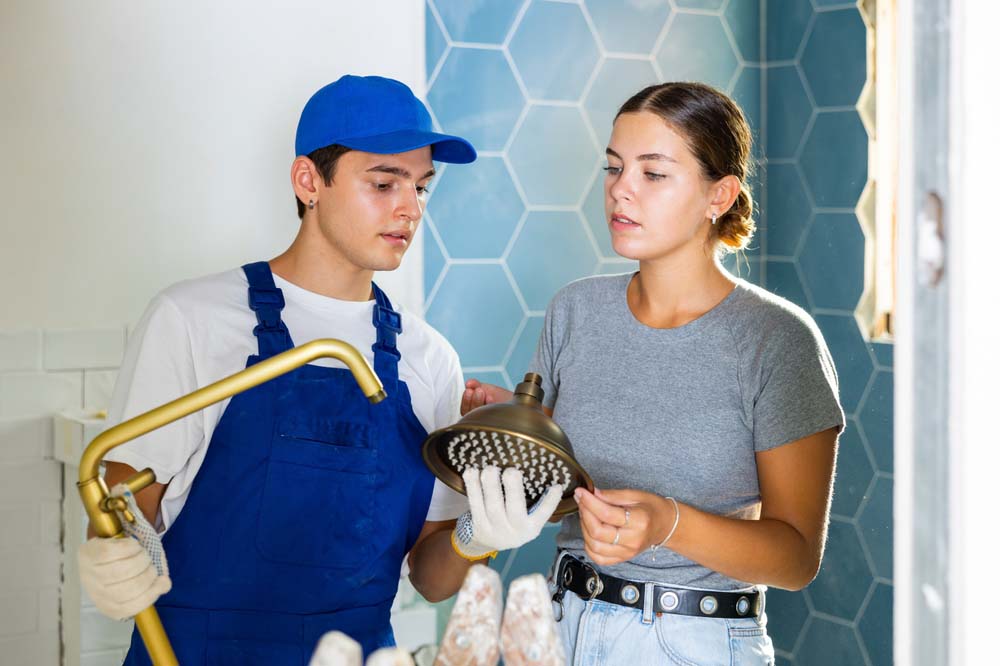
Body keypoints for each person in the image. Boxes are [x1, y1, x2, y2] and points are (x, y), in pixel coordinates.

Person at [77, 74, 562, 664]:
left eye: (422, 188)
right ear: (309, 181)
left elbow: (431, 579)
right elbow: (129, 509)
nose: (409, 209)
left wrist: (477, 537)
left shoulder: (427, 358)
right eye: (384, 183)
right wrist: (117, 557)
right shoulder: (194, 320)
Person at [462, 81, 844, 665]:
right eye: (614, 168)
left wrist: (667, 523)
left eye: (653, 173)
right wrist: (521, 437)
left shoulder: (777, 341)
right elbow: (565, 493)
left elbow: (795, 559)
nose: (621, 191)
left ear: (720, 194)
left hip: (694, 642)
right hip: (563, 624)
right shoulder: (574, 310)